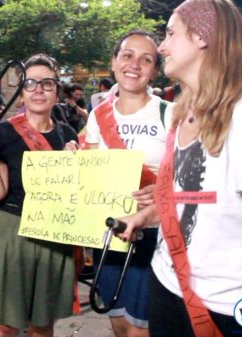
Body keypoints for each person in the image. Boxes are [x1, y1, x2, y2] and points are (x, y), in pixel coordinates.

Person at [118, 1, 242, 336]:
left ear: (201, 37)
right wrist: (143, 217)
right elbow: (187, 197)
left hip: (223, 307)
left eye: (171, 33)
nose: (162, 46)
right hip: (166, 283)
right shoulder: (181, 112)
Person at [0, 54, 79, 337]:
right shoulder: (5, 132)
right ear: (22, 92)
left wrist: (75, 166)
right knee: (5, 325)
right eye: (31, 83)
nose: (39, 89)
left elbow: (73, 196)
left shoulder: (68, 136)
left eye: (47, 83)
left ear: (57, 90)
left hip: (53, 234)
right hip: (11, 232)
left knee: (42, 324)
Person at [85, 29, 172, 337]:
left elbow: (187, 177)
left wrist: (162, 186)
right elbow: (90, 172)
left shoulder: (169, 114)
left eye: (146, 59)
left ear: (155, 70)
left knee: (141, 330)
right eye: (127, 55)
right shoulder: (97, 116)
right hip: (110, 236)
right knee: (118, 323)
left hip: (153, 237)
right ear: (114, 62)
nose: (135, 64)